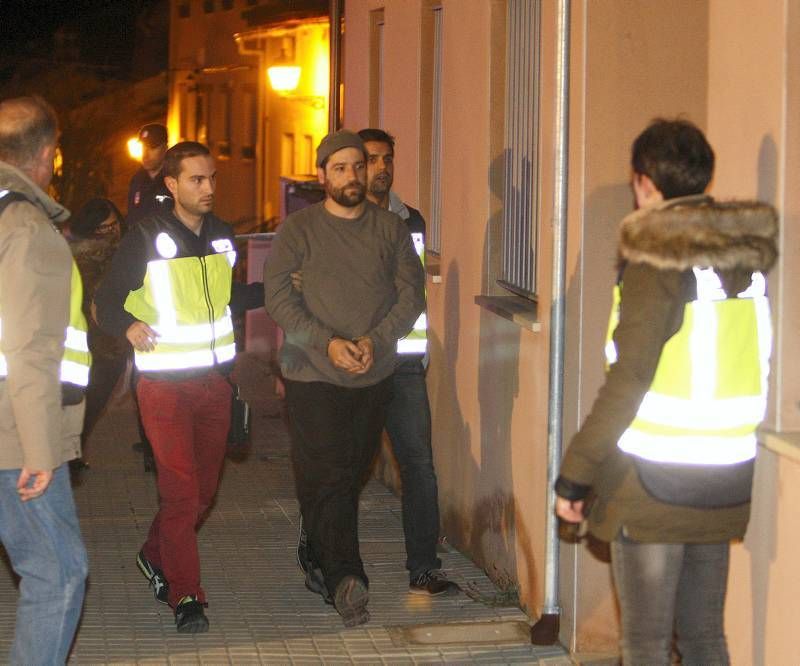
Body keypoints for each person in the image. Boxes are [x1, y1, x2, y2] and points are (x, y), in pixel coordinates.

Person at [555, 119, 778, 665]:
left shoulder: (657, 257)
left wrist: (576, 472)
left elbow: (630, 377)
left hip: (655, 483)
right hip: (725, 477)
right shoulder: (742, 257)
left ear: (645, 182)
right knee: (704, 637)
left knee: (647, 644)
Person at [95, 141, 262, 633]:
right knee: (182, 491)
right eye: (197, 180)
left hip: (214, 384)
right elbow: (105, 300)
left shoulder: (222, 235)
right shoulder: (145, 236)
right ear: (171, 185)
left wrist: (283, 288)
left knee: (203, 494)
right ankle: (186, 595)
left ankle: (153, 553)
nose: (209, 188)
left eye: (212, 178)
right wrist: (126, 325)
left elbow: (231, 299)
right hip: (164, 386)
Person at [264, 130, 425, 627]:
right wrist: (328, 341)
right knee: (331, 473)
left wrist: (376, 341)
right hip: (312, 374)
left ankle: (316, 545)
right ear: (322, 175)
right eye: (341, 168)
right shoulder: (299, 230)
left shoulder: (390, 229)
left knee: (349, 474)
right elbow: (278, 299)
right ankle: (346, 579)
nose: (352, 176)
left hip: (372, 372)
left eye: (358, 166)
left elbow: (411, 295)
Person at [295, 128, 457, 596]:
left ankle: (424, 566)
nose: (380, 168)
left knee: (419, 464)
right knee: (337, 467)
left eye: (388, 158)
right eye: (371, 159)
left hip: (401, 364)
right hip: (346, 368)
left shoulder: (411, 221)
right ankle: (323, 554)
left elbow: (411, 293)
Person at [0, 95, 88, 664]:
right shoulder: (25, 227)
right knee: (57, 571)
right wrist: (40, 450)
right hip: (13, 433)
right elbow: (29, 346)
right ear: (49, 154)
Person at [68, 198, 128, 465]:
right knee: (86, 403)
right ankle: (71, 455)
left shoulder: (124, 254)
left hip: (112, 342)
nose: (112, 231)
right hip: (89, 342)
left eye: (114, 224)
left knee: (94, 404)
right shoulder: (83, 258)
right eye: (104, 227)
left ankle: (75, 453)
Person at [127, 122, 170, 227]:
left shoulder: (175, 179)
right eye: (143, 147)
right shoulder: (137, 181)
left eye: (152, 147)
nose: (145, 153)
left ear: (165, 148)